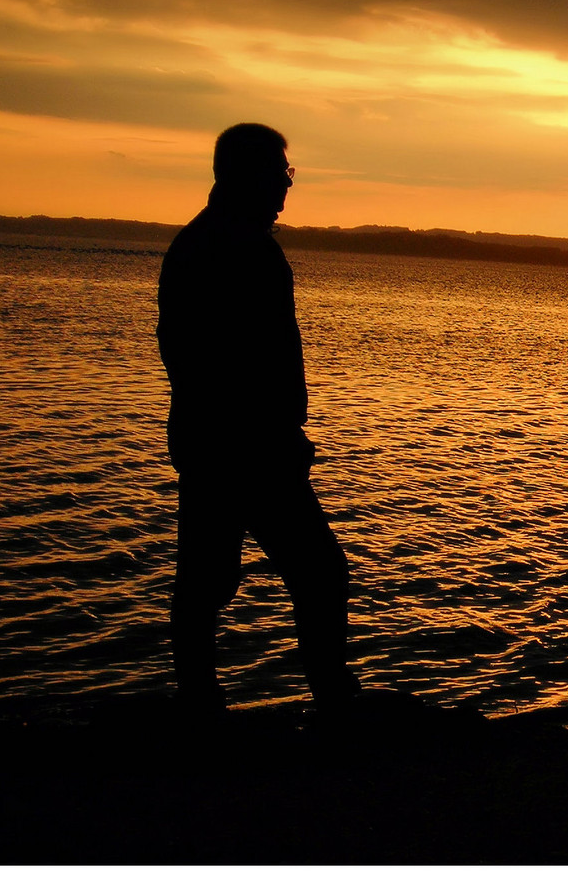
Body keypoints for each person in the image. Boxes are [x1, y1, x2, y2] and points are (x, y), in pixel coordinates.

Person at [157, 122, 361, 713]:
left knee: (210, 575)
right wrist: (271, 435)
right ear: (244, 175)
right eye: (278, 172)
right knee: (315, 571)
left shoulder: (224, 244)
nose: (285, 185)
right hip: (240, 446)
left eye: (287, 173)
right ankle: (329, 698)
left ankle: (202, 697)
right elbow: (206, 361)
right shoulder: (227, 248)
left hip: (225, 441)